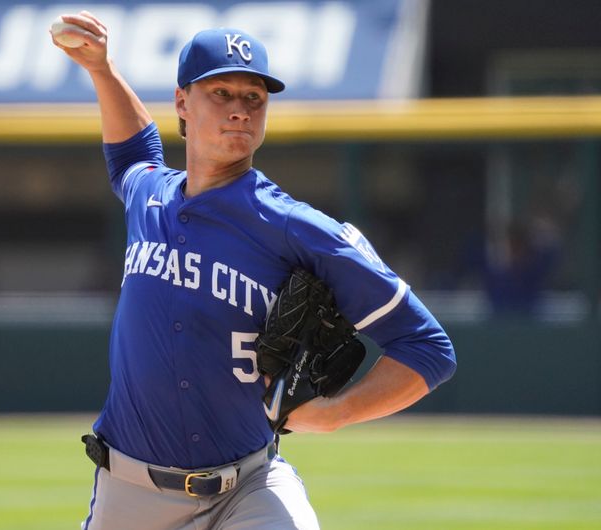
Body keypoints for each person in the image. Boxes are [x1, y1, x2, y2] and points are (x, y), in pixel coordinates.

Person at [52, 11, 456, 530]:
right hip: (129, 494)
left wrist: (337, 413)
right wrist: (102, 71)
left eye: (254, 98)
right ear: (181, 103)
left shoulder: (296, 227)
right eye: (221, 94)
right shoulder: (147, 194)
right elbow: (132, 153)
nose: (240, 110)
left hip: (249, 486)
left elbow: (427, 348)